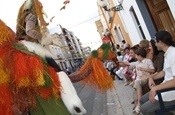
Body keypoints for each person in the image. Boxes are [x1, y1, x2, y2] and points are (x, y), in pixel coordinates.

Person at [140, 30, 175, 115]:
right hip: (166, 89)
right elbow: (164, 71)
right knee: (142, 99)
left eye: (156, 42)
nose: (155, 44)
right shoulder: (167, 53)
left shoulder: (173, 54)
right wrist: (151, 77)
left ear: (161, 42)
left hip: (171, 92)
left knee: (144, 109)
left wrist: (156, 88)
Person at [119, 48, 155, 114]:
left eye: (136, 55)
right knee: (136, 84)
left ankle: (138, 103)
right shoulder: (137, 63)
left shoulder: (148, 61)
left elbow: (153, 70)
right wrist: (119, 62)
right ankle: (137, 103)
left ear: (140, 55)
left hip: (145, 78)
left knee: (136, 83)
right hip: (139, 80)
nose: (135, 57)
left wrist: (143, 69)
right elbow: (128, 64)